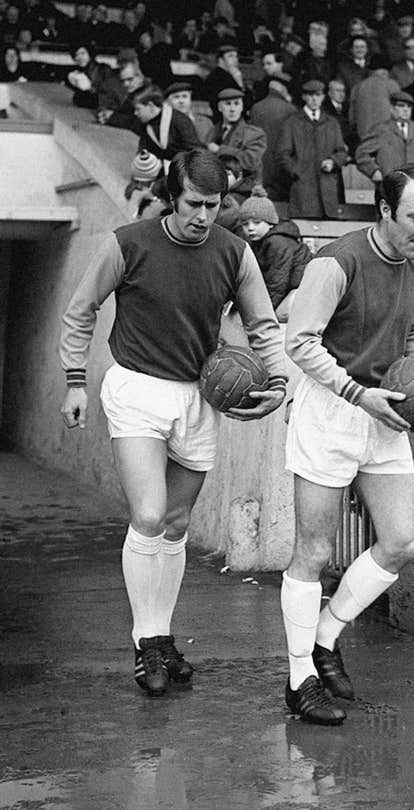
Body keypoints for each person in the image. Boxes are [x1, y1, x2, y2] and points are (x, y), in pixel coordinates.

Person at [59, 148, 287, 697]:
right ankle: (146, 644)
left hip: (198, 396)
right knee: (149, 513)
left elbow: (263, 322)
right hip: (136, 387)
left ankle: (162, 635)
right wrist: (73, 379)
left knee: (178, 523)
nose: (204, 216)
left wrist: (277, 382)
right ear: (169, 197)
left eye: (213, 205)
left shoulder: (235, 252)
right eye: (193, 204)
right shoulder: (127, 242)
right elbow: (82, 307)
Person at [281, 163, 414, 725]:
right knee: (315, 552)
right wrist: (355, 391)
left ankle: (325, 637)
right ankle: (299, 676)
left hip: (384, 409)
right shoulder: (336, 262)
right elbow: (299, 342)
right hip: (331, 407)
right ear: (385, 211)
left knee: (401, 542)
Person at [278, 79, 348, 219]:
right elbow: (282, 155)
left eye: (318, 95)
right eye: (310, 95)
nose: (314, 99)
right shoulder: (292, 122)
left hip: (328, 192)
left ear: (323, 96)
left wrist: (333, 162)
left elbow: (341, 151)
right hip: (303, 191)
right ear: (304, 97)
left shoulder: (331, 123)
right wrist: (297, 171)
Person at [239, 192, 312, 316]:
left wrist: (262, 313)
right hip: (288, 289)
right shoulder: (257, 241)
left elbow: (277, 282)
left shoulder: (278, 242)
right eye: (245, 224)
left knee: (280, 314)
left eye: (257, 223)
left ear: (270, 223)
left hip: (304, 288)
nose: (250, 228)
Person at [355, 90, 414, 184]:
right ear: (391, 108)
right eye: (401, 106)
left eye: (409, 107)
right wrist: (374, 171)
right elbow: (361, 154)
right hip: (389, 186)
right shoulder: (380, 130)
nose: (406, 109)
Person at [205, 87, 267, 198]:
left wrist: (221, 150)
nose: (232, 109)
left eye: (236, 104)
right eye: (228, 104)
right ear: (220, 107)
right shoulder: (213, 131)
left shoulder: (254, 133)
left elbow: (251, 161)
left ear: (242, 106)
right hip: (214, 190)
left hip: (242, 192)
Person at [133, 85, 202, 171]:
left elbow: (196, 152)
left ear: (150, 106)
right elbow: (143, 148)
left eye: (138, 109)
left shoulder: (180, 121)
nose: (135, 113)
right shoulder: (146, 124)